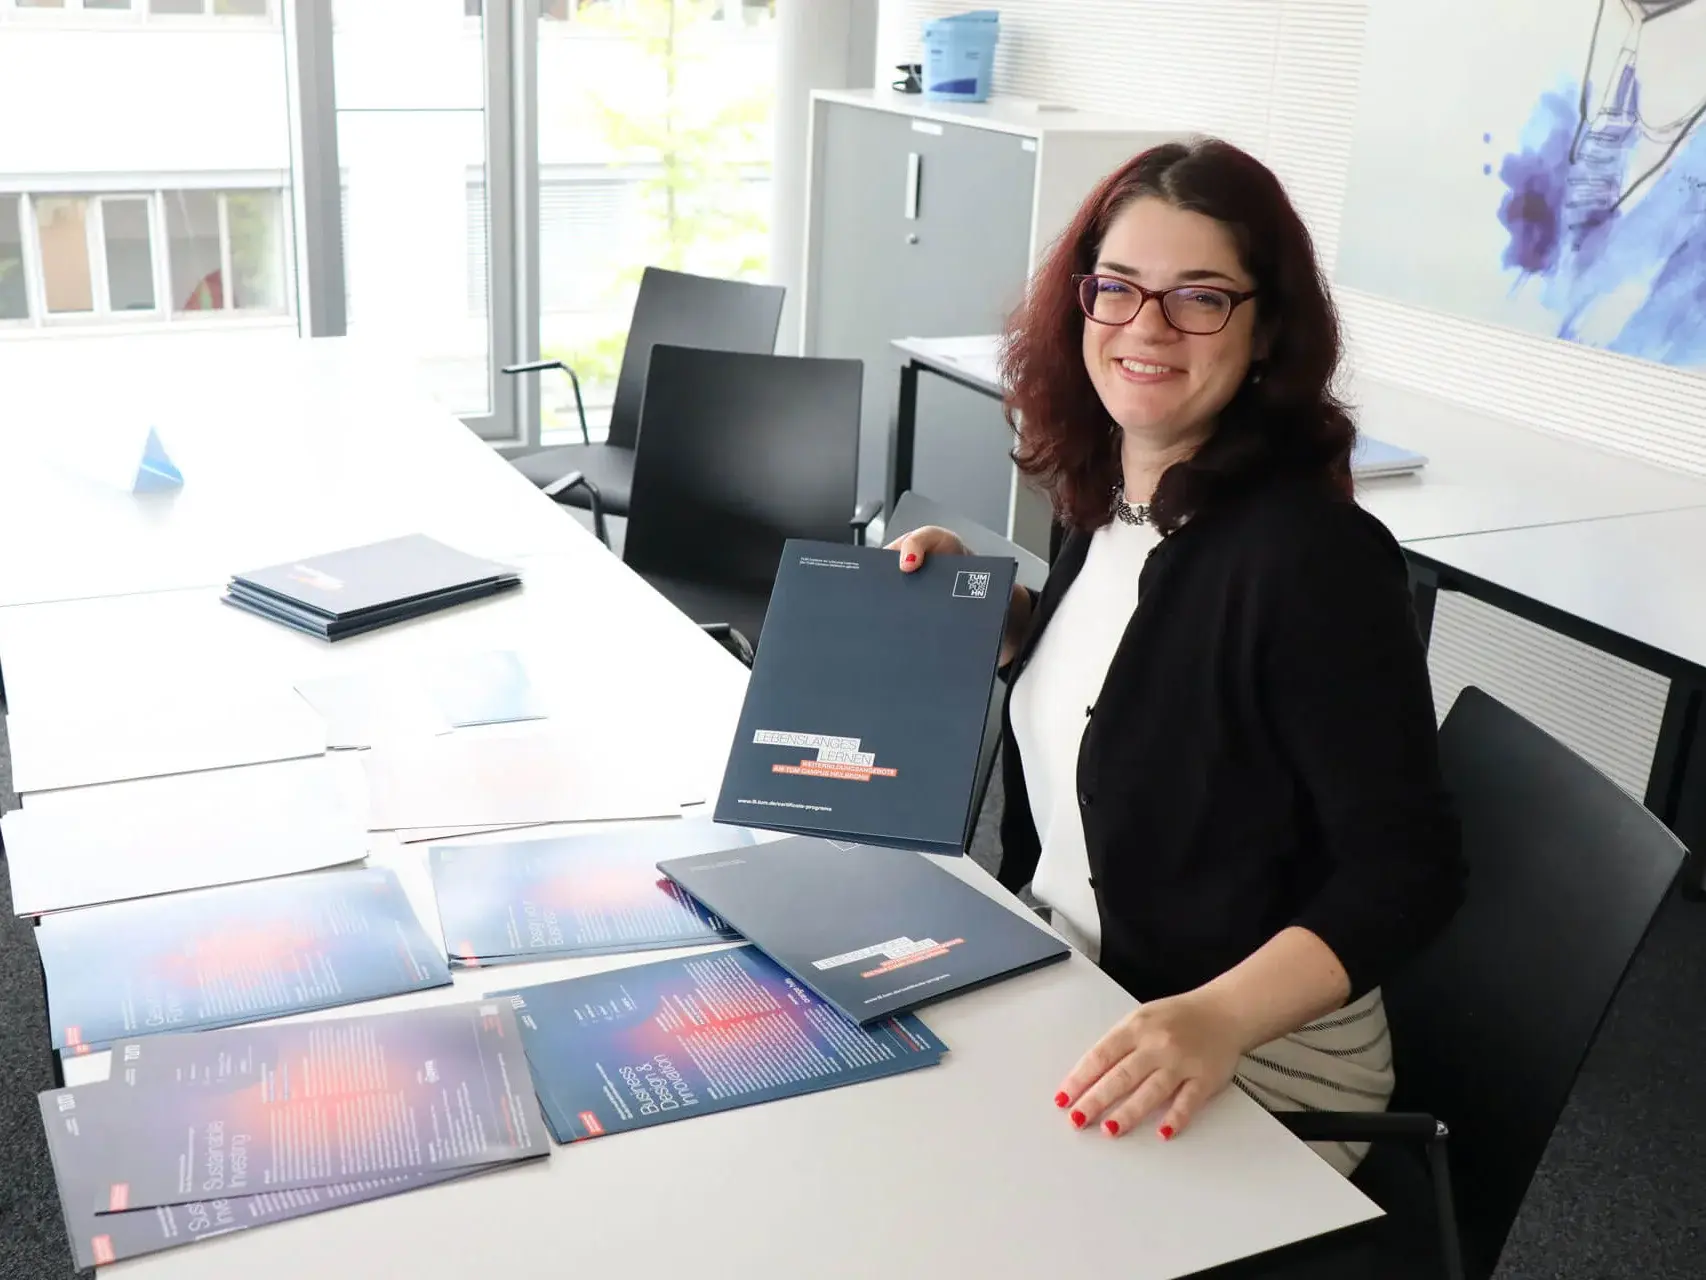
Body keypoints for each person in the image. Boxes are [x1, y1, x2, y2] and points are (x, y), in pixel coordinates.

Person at [889, 139, 1467, 1178]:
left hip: (1253, 1057)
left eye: (1197, 296)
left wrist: (1214, 1017)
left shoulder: (1311, 560)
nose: (1144, 327)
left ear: (1265, 331)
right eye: (1116, 288)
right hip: (1080, 978)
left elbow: (1408, 872)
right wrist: (1003, 620)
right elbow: (1144, 687)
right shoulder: (1112, 489)